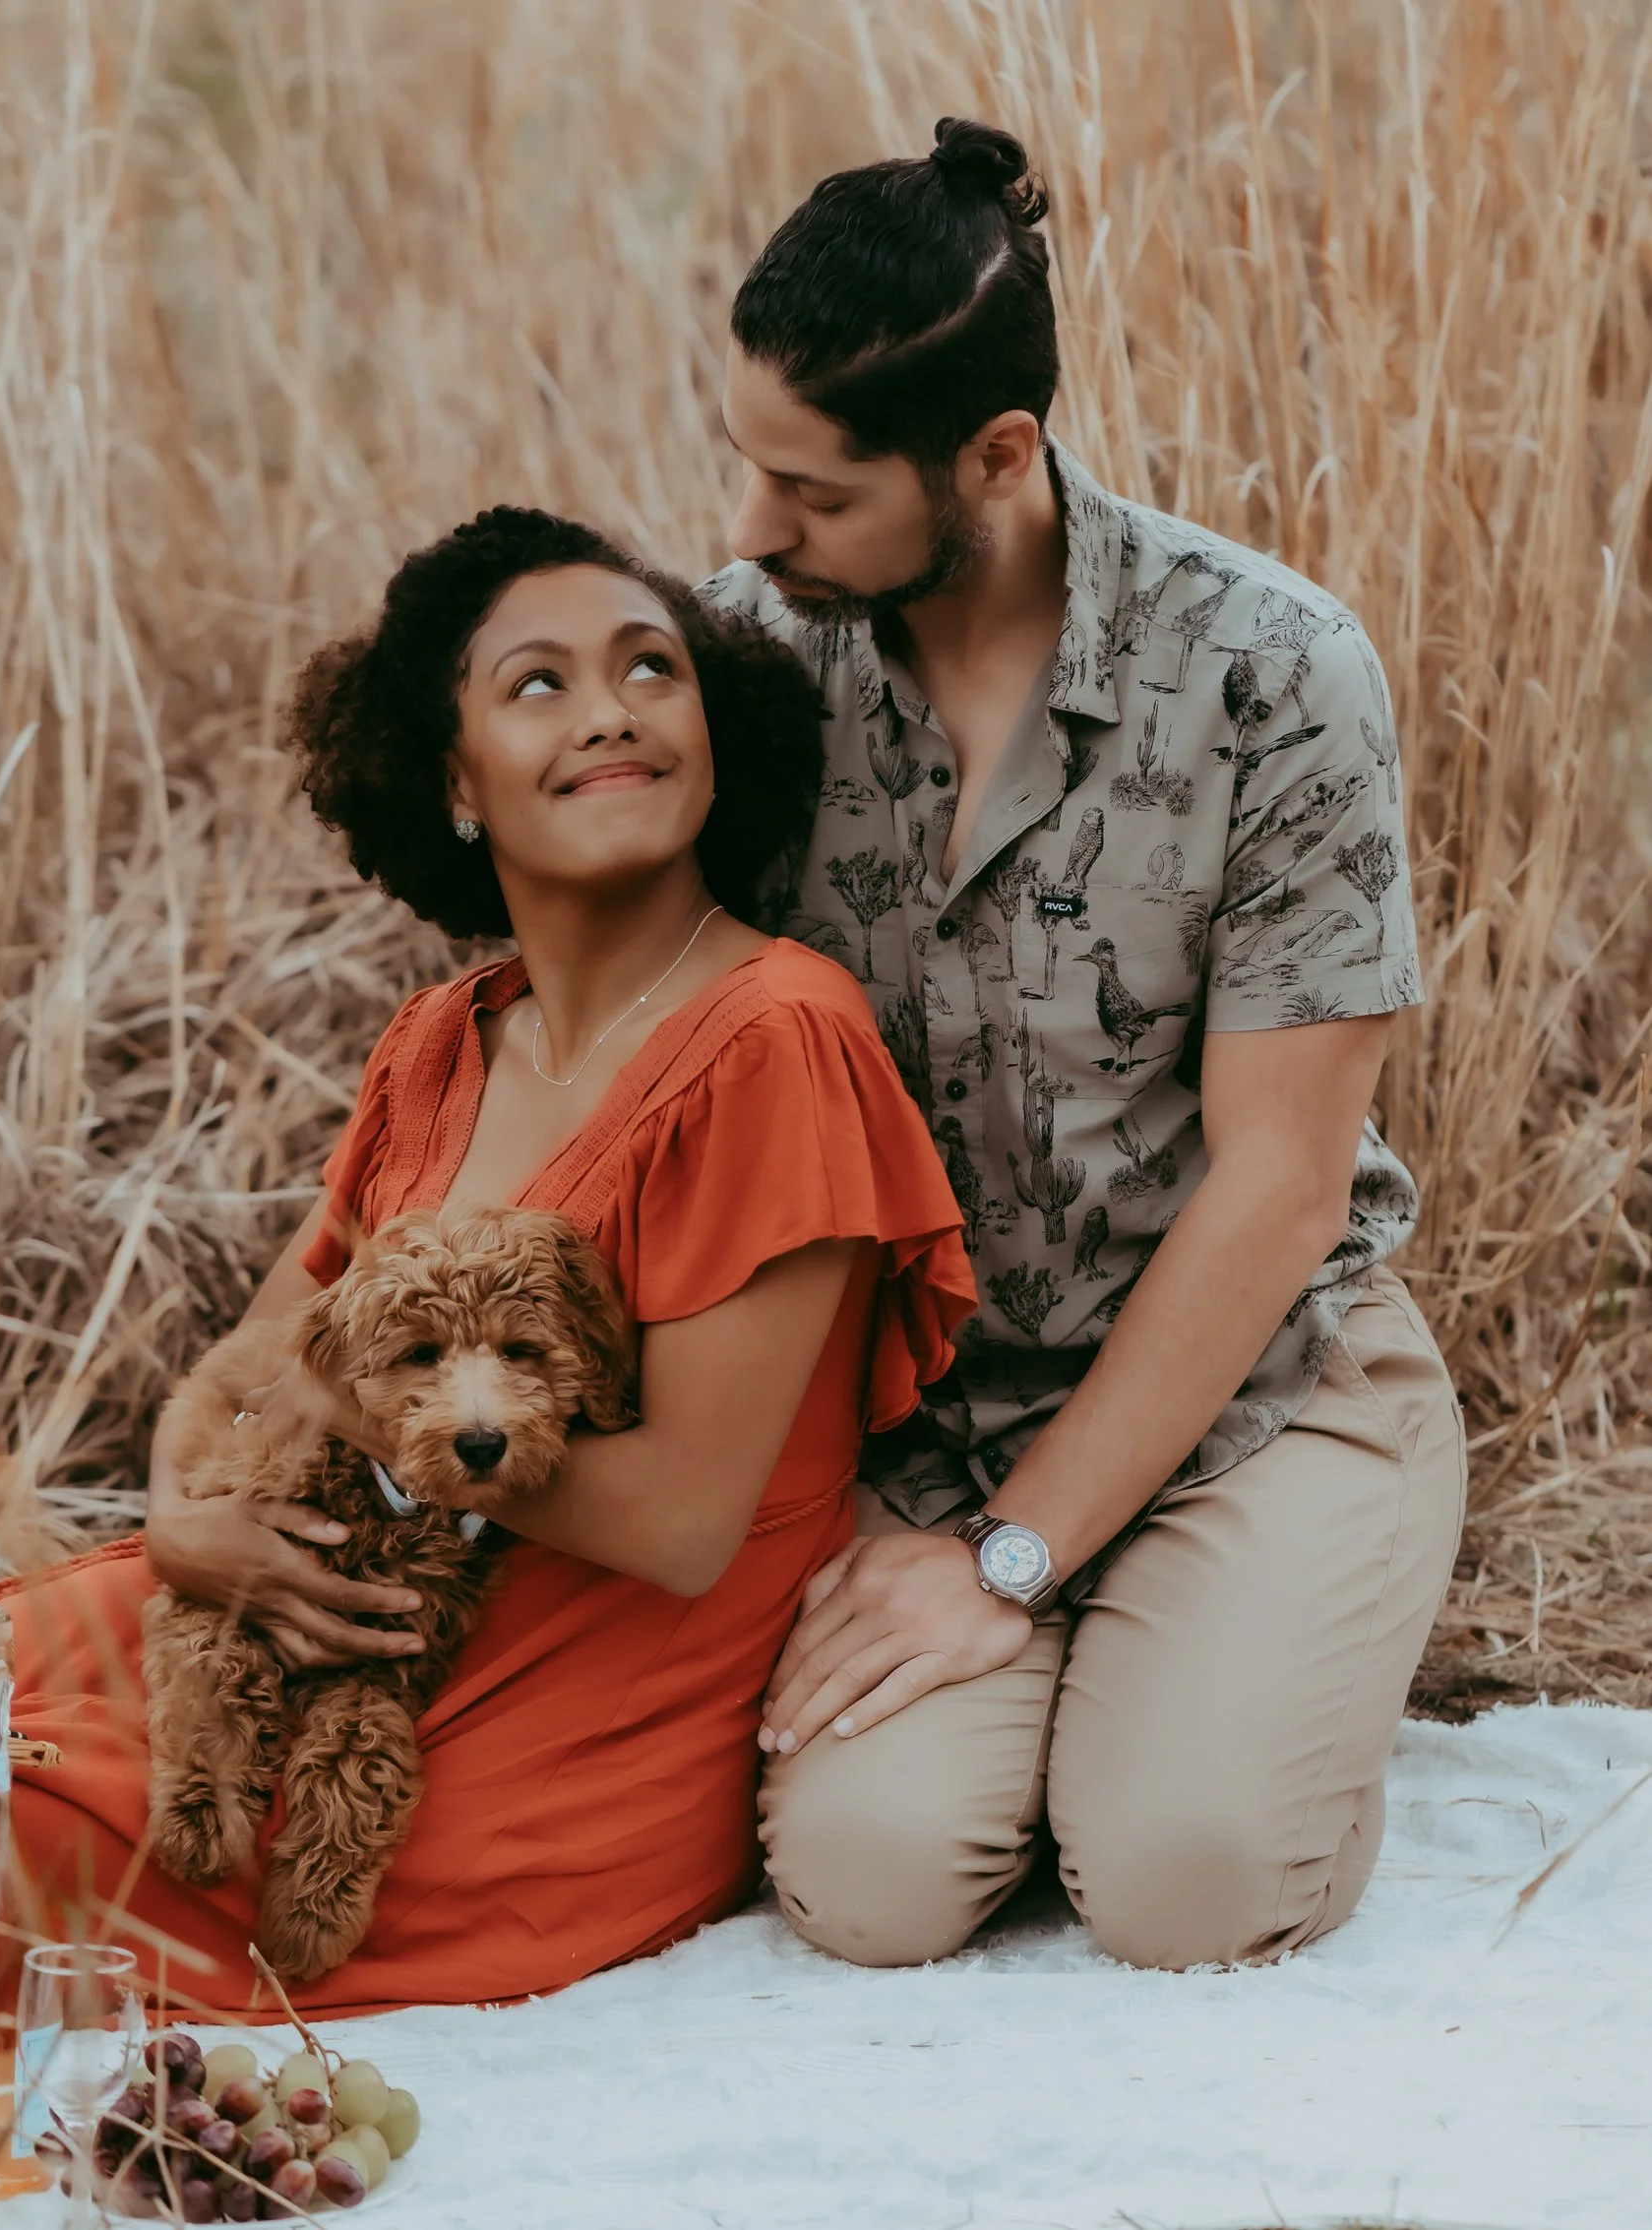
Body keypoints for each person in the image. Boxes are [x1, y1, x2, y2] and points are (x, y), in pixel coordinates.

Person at [0, 510, 974, 2016]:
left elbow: (687, 1520)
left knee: (25, 1817)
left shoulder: (777, 1036)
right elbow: (257, 1368)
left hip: (565, 1697)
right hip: (308, 1579)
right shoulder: (441, 1042)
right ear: (452, 780)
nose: (613, 709)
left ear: (716, 728)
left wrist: (347, 1418)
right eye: (538, 685)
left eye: (650, 668)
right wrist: (186, 1522)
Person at [704, 118, 1466, 1970]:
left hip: (1258, 1387)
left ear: (996, 455)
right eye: (747, 471)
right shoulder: (743, 664)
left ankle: (1236, 1669)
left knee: (1185, 1880)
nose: (749, 534)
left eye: (814, 494)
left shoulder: (1276, 672)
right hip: (926, 1420)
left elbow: (1283, 1190)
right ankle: (1102, 1690)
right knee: (870, 1885)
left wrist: (1014, 1566)